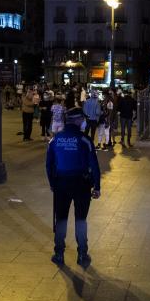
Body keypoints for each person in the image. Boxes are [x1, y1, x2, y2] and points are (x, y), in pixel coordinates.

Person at [46, 108, 101, 266]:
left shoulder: (55, 140)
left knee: (61, 218)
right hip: (81, 184)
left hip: (61, 184)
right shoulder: (85, 140)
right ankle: (82, 254)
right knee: (81, 219)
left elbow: (48, 165)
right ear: (78, 120)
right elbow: (94, 166)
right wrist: (97, 186)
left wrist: (52, 184)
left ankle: (59, 254)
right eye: (82, 119)